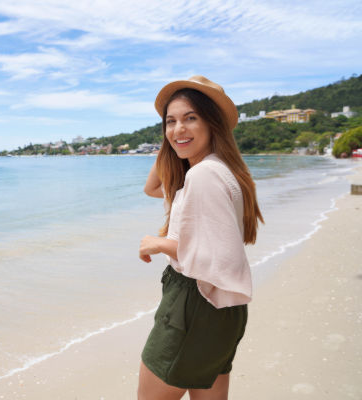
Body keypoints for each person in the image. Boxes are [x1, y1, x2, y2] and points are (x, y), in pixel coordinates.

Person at [137, 76, 264, 400]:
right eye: (171, 121)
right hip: (223, 309)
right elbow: (152, 188)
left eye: (190, 118)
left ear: (213, 123)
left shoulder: (204, 175)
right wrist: (175, 140)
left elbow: (218, 257)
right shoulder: (221, 169)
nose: (179, 127)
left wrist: (158, 243)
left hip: (194, 303)